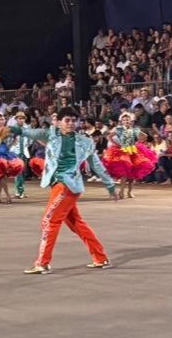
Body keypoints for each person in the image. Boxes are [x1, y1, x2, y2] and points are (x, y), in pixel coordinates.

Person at [12, 107, 118, 275]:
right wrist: (12, 129)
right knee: (77, 223)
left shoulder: (85, 141)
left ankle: (43, 263)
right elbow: (29, 132)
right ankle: (101, 258)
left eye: (74, 120)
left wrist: (109, 184)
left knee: (49, 221)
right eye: (67, 120)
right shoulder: (50, 135)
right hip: (58, 185)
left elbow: (96, 164)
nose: (70, 123)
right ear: (59, 121)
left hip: (67, 185)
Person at [102, 112, 157, 199]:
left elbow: (145, 135)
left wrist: (141, 139)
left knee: (133, 174)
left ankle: (129, 192)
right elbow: (109, 136)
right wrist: (115, 144)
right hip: (123, 151)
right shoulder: (118, 129)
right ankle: (121, 191)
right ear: (122, 121)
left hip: (133, 151)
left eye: (127, 119)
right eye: (124, 120)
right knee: (124, 173)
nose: (126, 121)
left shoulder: (135, 129)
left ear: (130, 121)